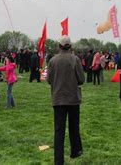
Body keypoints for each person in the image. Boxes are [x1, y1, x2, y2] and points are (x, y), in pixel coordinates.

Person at [47, 36, 85, 165]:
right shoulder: (75, 59)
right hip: (73, 99)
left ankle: (59, 161)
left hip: (58, 99)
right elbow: (81, 79)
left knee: (59, 131)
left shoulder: (52, 61)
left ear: (59, 46)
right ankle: (75, 151)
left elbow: (49, 80)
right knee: (74, 127)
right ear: (70, 46)